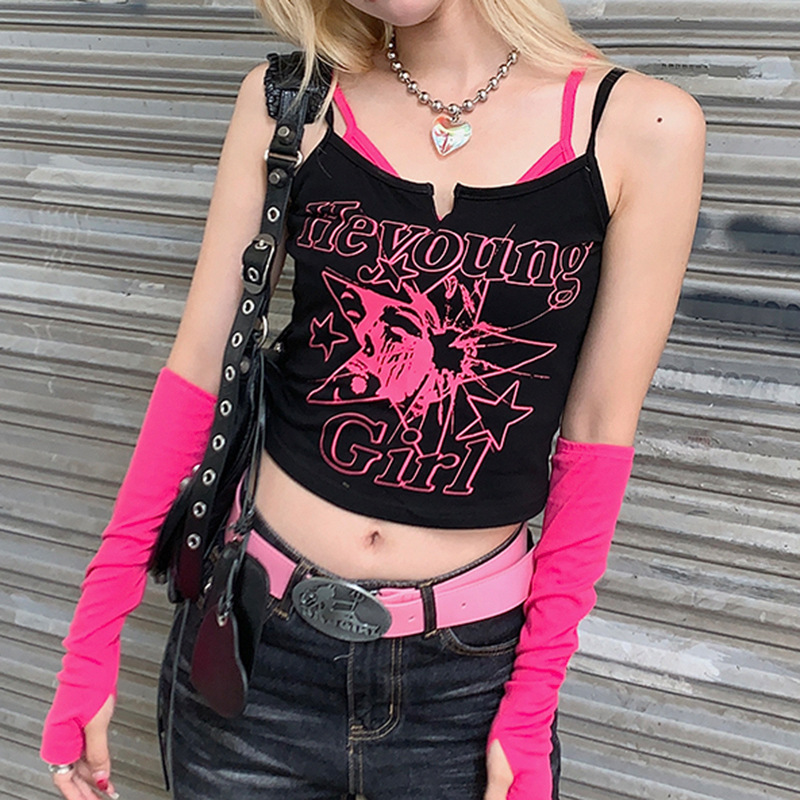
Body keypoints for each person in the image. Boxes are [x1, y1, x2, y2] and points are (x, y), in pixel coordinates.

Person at [39, 0, 706, 797]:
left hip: (465, 688)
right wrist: (92, 638)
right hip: (255, 654)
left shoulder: (642, 127)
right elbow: (198, 368)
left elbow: (598, 433)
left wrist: (531, 703)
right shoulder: (290, 102)